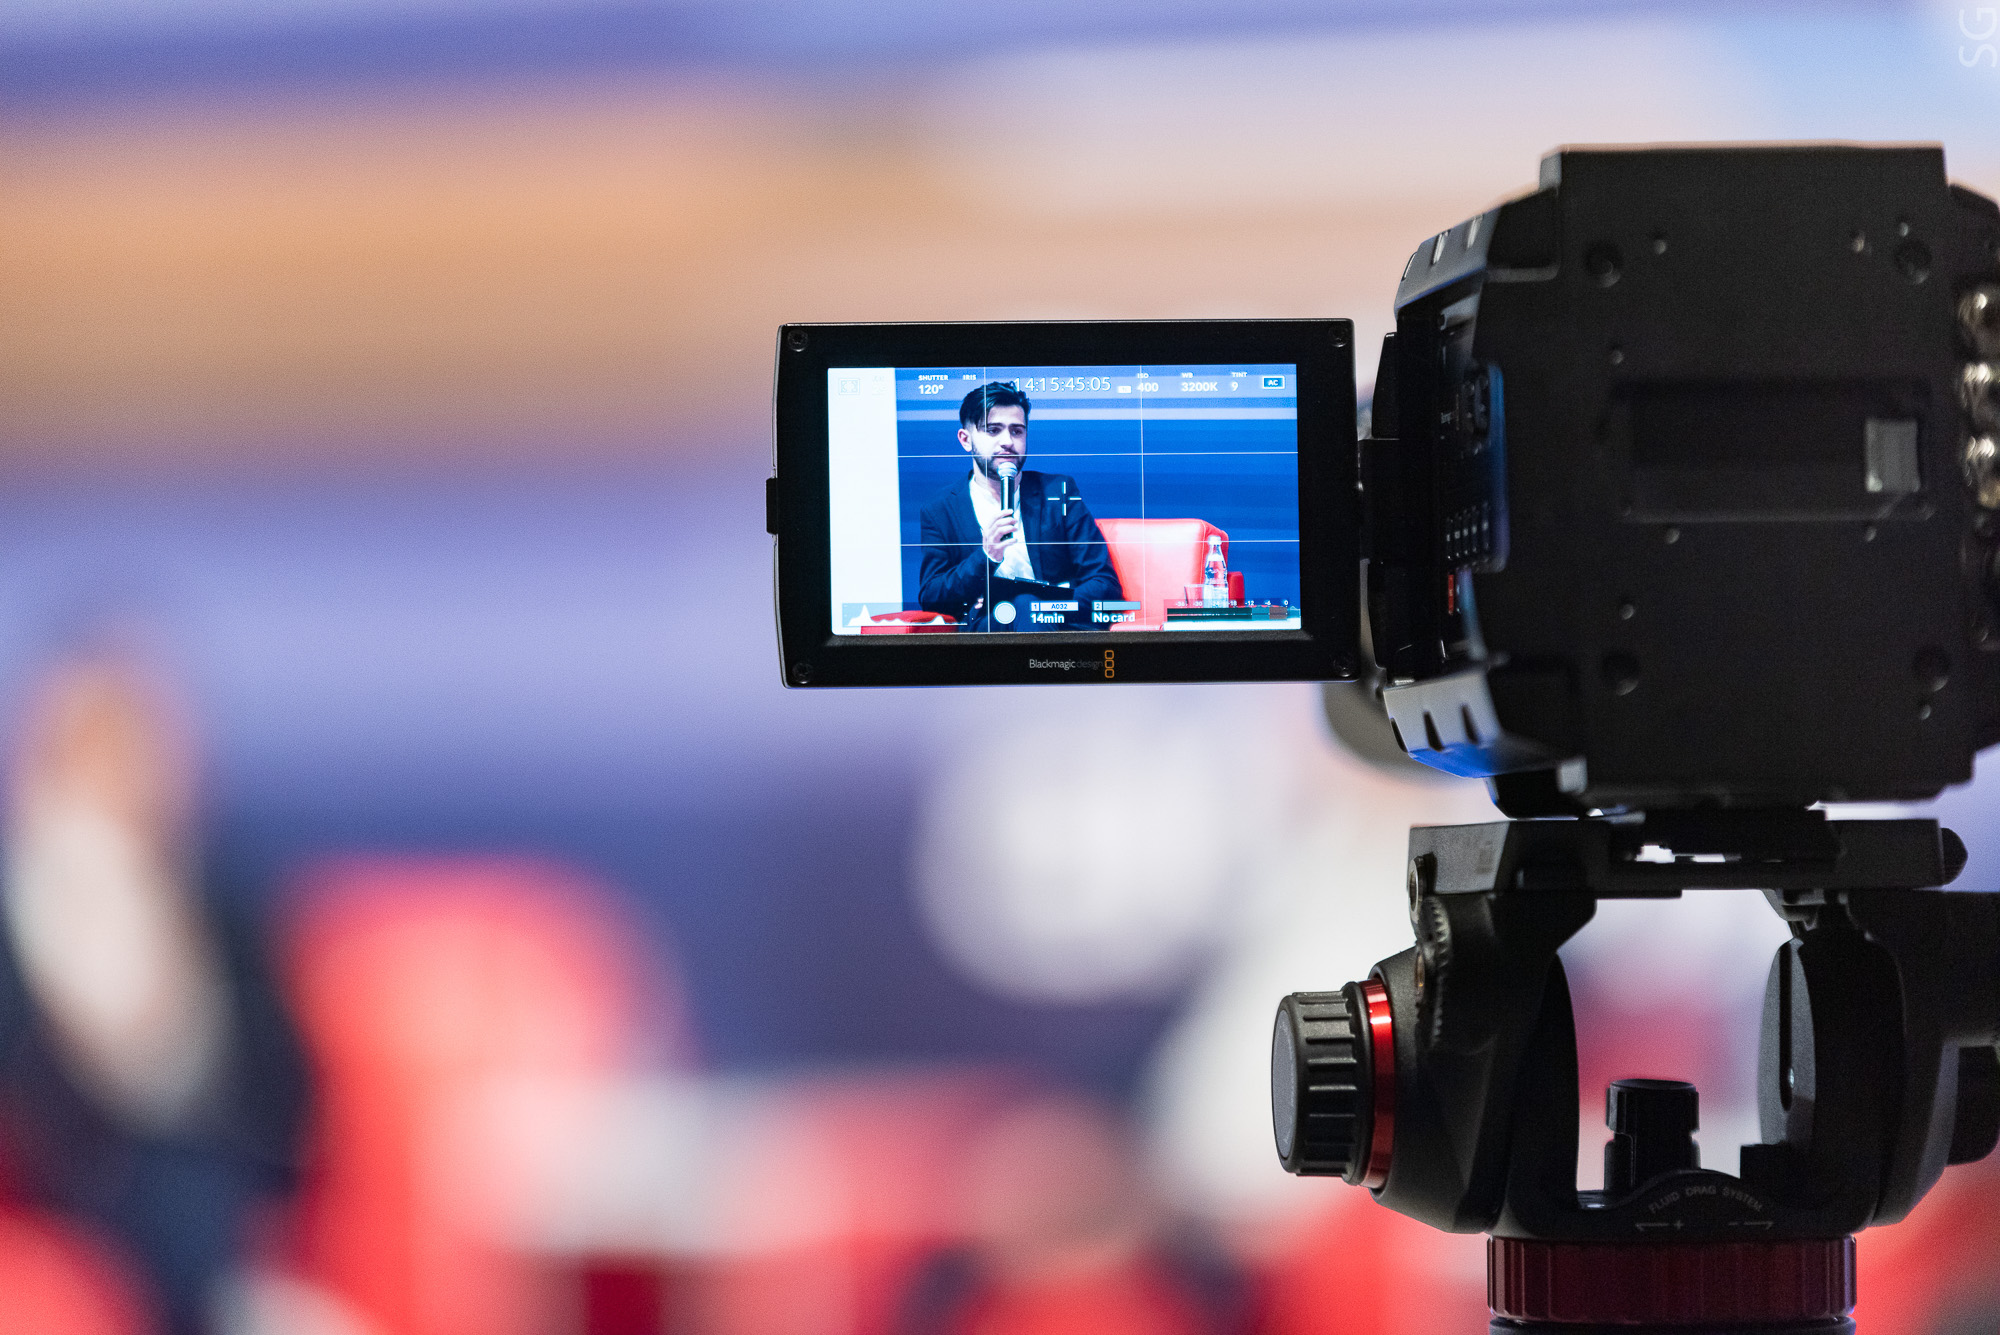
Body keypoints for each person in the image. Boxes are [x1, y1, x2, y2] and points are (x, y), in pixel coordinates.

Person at [917, 382, 1122, 631]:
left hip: (1057, 625)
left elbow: (1104, 584)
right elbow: (932, 596)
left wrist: (1044, 605)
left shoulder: (1058, 492)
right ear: (966, 440)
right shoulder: (940, 509)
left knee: (1026, 605)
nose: (1007, 442)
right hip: (989, 629)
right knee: (1013, 610)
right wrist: (986, 557)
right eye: (993, 430)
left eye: (1017, 431)